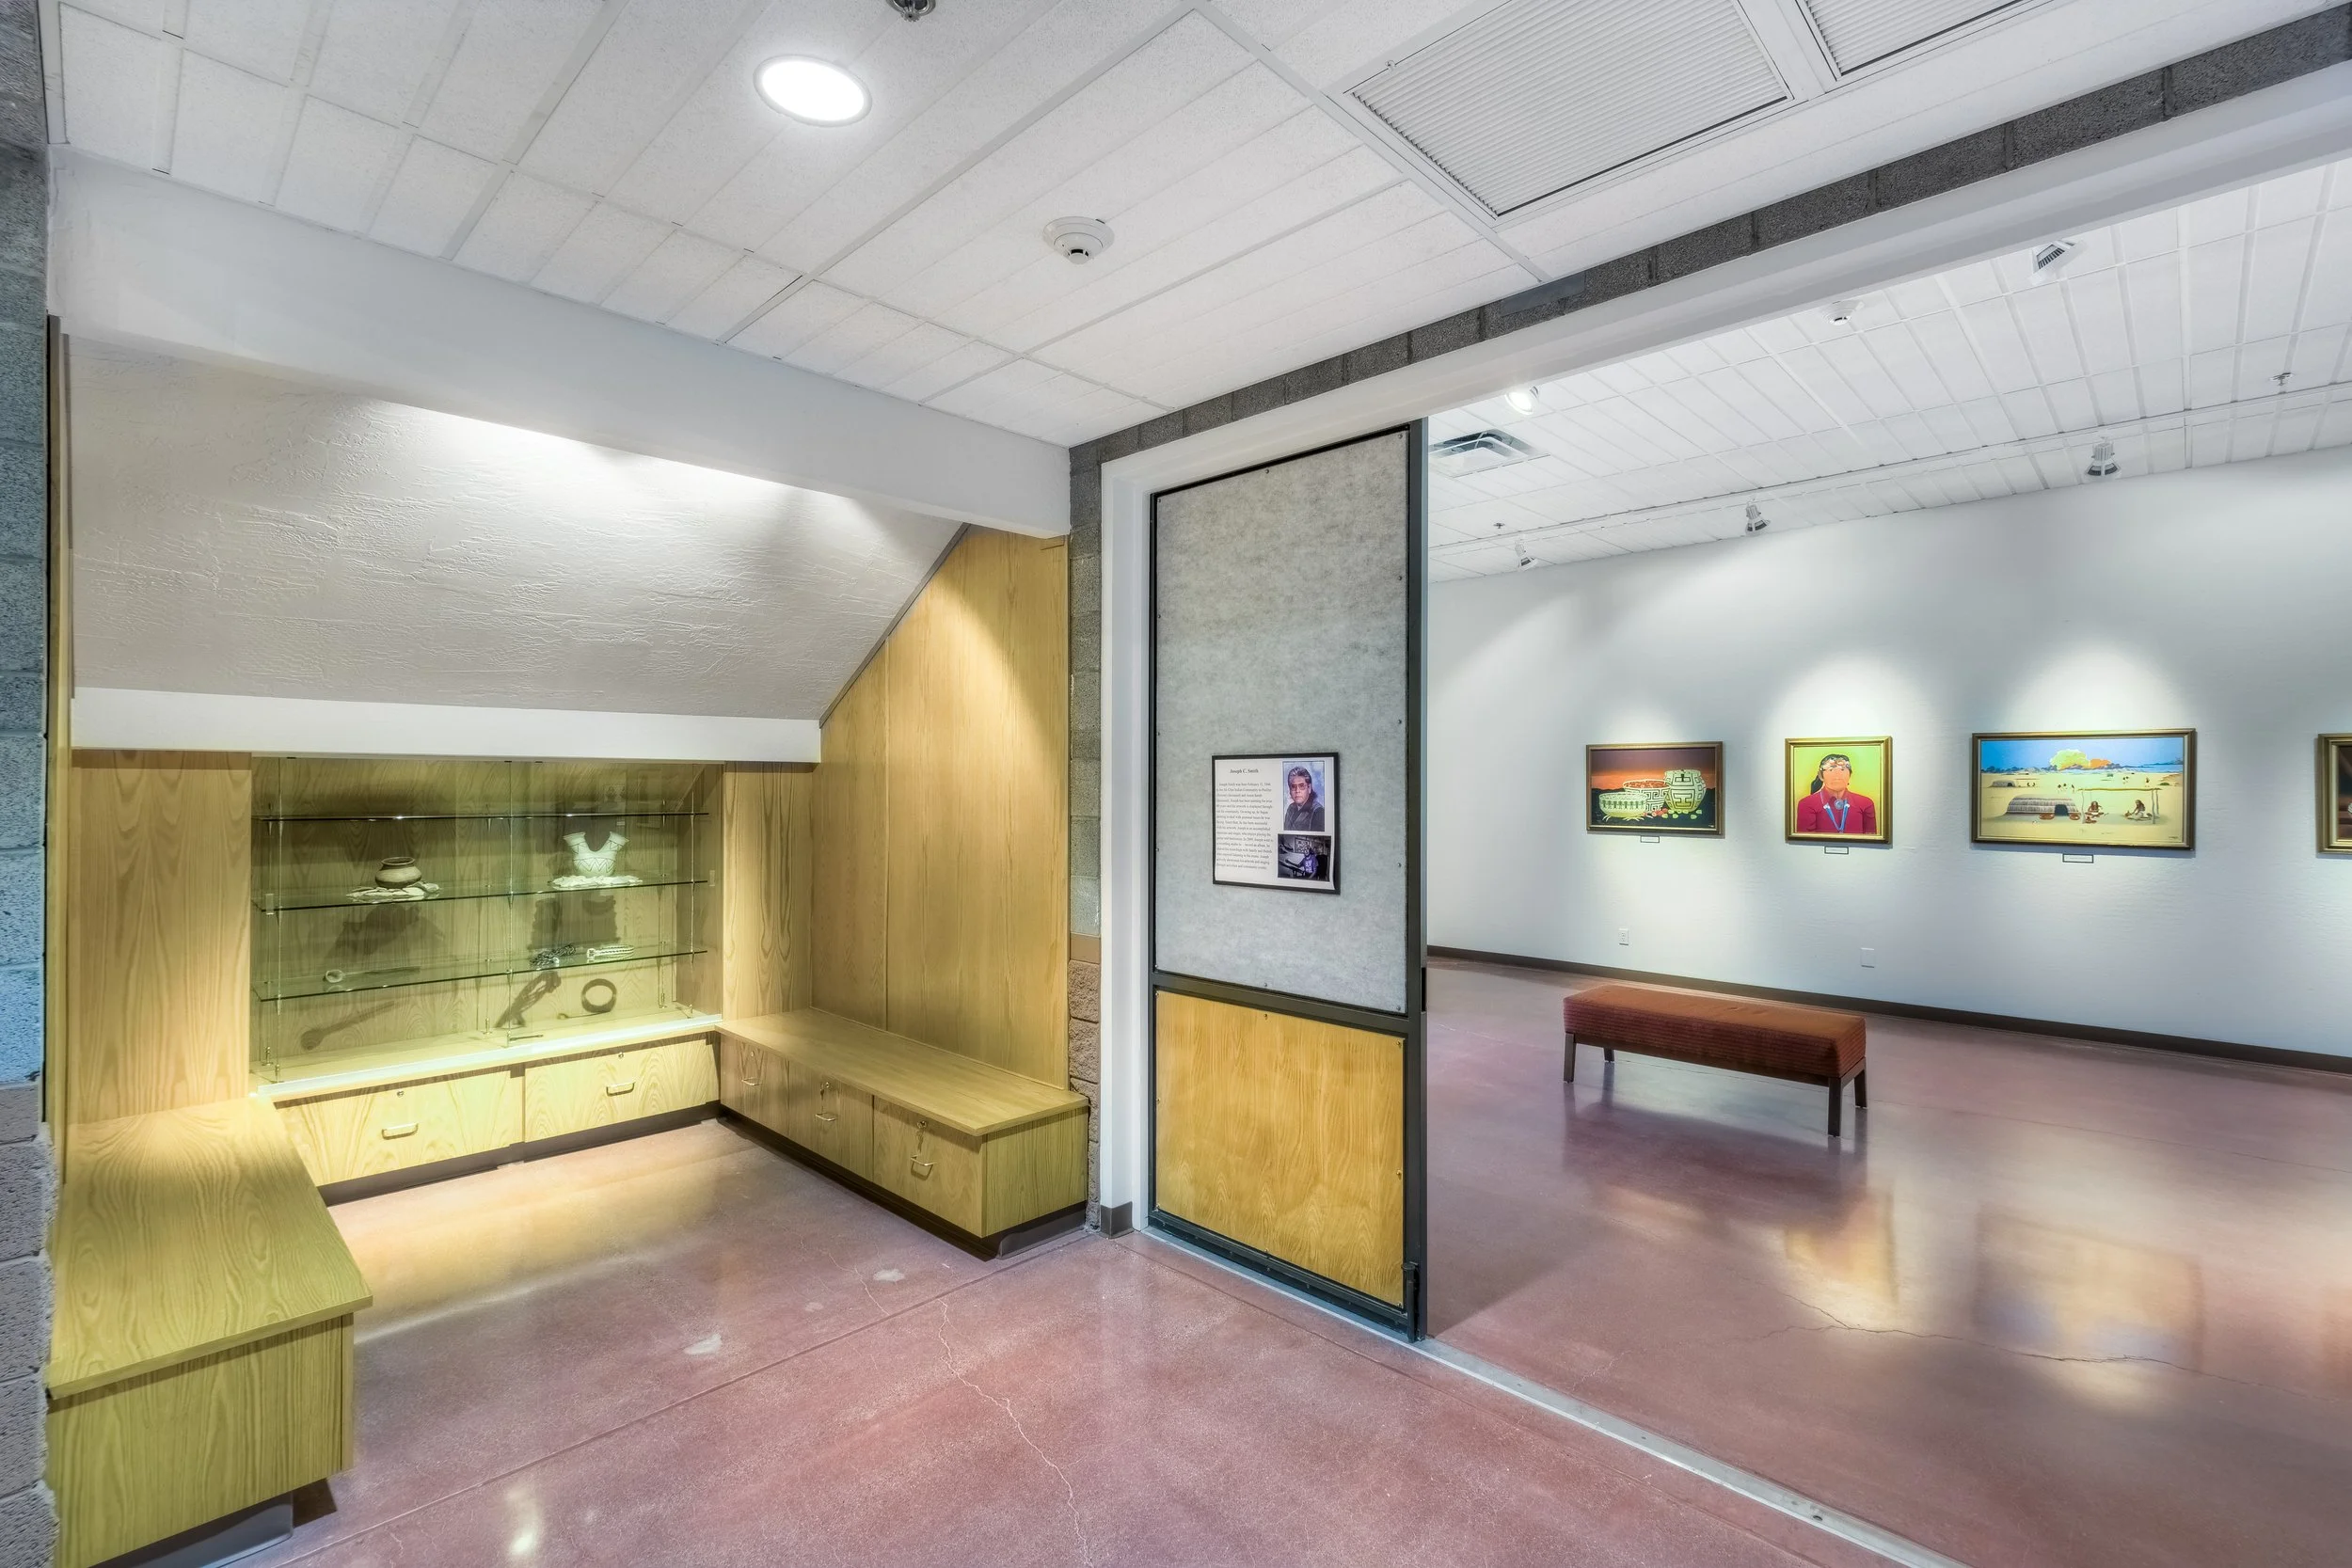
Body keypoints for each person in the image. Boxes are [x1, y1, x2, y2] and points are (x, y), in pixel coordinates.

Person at [1797, 752, 1877, 835]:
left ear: (1850, 775)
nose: (1837, 774)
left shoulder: (1865, 803)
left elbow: (1871, 841)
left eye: (1842, 769)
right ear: (1821, 775)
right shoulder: (1806, 804)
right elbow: (1806, 843)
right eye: (1831, 769)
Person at [1283, 766, 1325, 832]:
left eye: (1301, 786)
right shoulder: (1290, 808)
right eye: (1293, 787)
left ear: (1309, 788)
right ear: (1290, 790)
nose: (1297, 791)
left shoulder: (1318, 812)